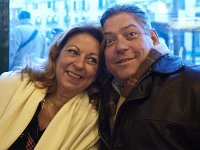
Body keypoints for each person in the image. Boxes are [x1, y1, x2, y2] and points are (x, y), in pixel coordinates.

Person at [98, 3, 200, 150]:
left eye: (131, 34)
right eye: (110, 40)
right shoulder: (106, 94)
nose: (120, 47)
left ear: (153, 38)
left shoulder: (193, 83)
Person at [0, 24, 104, 149]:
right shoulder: (11, 84)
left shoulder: (92, 125)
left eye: (92, 60)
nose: (79, 65)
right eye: (73, 52)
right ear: (56, 56)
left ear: (98, 73)